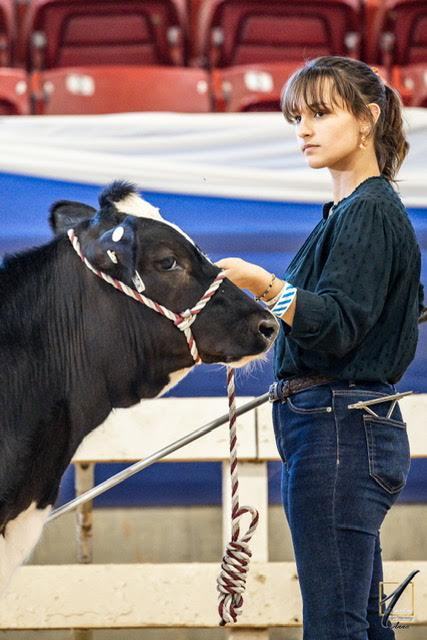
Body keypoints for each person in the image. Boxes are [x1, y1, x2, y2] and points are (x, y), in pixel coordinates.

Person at [216, 55, 423, 640]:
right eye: (298, 116)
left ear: (368, 119)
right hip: (344, 424)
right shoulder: (361, 213)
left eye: (321, 113)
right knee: (356, 622)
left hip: (337, 425)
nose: (303, 128)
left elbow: (335, 326)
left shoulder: (367, 213)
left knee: (335, 626)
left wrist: (266, 286)